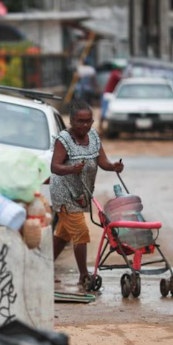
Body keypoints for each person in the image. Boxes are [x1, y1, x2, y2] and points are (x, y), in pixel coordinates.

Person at [50, 101, 124, 285]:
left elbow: (103, 162)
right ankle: (83, 275)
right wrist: (72, 168)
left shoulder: (94, 136)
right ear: (72, 121)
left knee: (63, 235)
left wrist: (113, 166)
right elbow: (55, 167)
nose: (84, 125)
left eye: (88, 121)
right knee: (81, 232)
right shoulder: (63, 139)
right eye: (80, 121)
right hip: (64, 193)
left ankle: (43, 266)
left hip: (82, 193)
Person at [98, 64, 123, 131]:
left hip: (110, 94)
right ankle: (101, 127)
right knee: (105, 111)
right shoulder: (115, 73)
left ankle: (101, 127)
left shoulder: (113, 73)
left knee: (106, 111)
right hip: (109, 94)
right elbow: (122, 78)